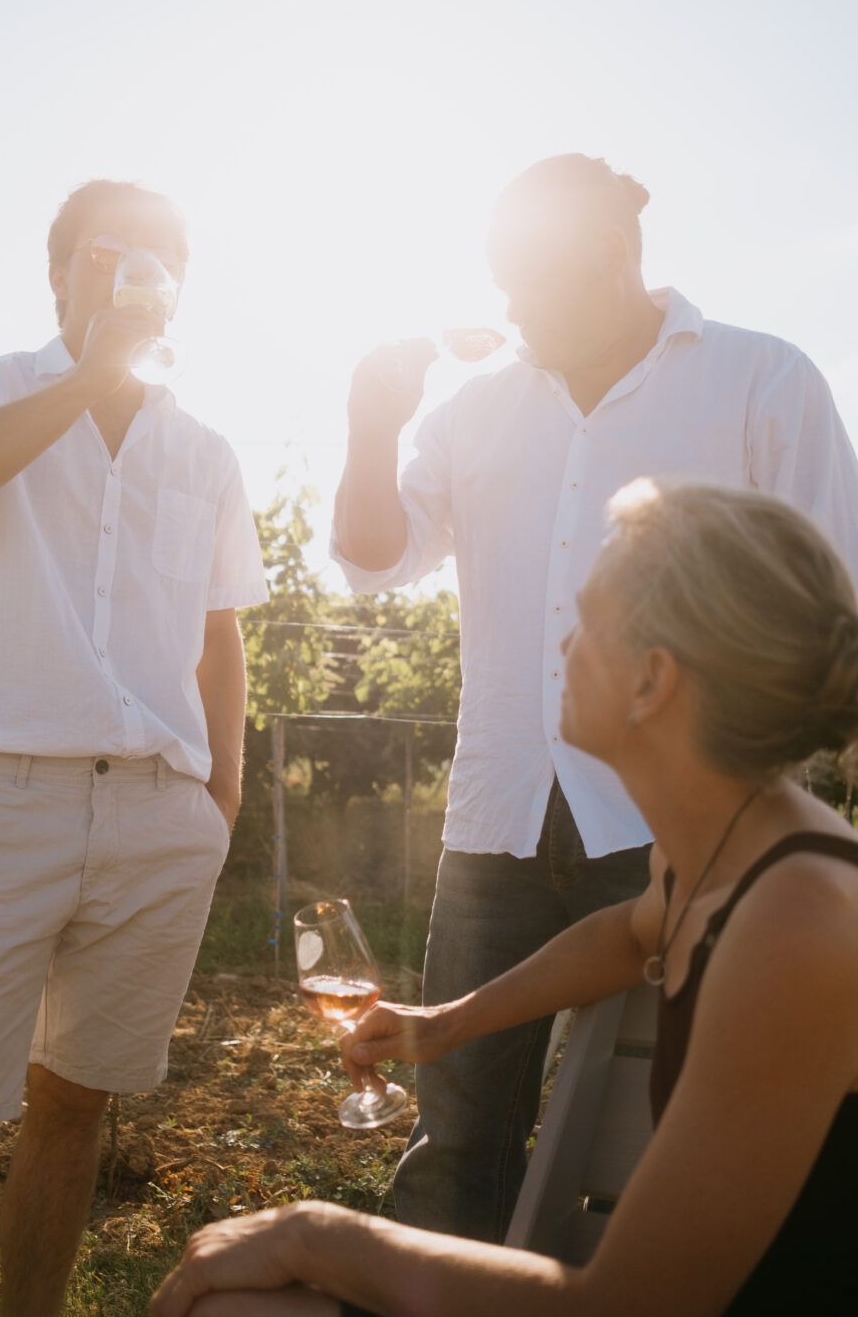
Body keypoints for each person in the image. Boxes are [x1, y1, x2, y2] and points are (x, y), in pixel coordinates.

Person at [152, 478, 858, 1317]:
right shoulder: (721, 847)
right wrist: (445, 1023)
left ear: (651, 683)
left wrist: (316, 1235)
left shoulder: (803, 923)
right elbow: (633, 934)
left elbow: (626, 1306)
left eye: (587, 620)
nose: (561, 643)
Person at [329, 153, 858, 1241]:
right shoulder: (473, 412)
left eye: (526, 278)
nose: (508, 308)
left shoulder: (762, 380)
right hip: (499, 816)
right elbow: (374, 561)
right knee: (458, 1137)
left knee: (641, 1139)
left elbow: (832, 596)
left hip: (679, 820)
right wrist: (372, 424)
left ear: (613, 256)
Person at [0, 180, 268, 1316]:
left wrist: (219, 809)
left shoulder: (205, 449)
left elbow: (219, 638)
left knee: (73, 1110)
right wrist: (88, 381)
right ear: (59, 272)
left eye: (164, 260)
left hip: (161, 818)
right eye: (112, 253)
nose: (140, 276)